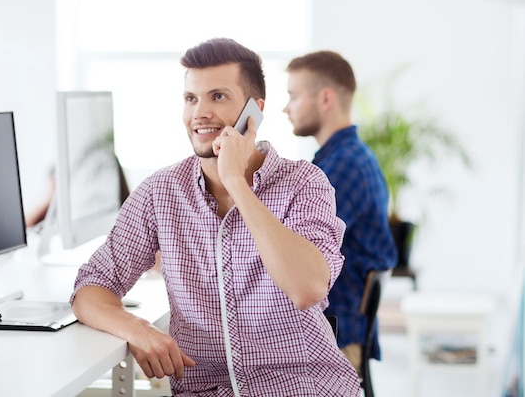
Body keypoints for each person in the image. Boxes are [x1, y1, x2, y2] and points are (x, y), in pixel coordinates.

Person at [71, 38, 361, 396]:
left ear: (254, 112)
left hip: (302, 386)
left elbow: (307, 289)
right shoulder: (160, 192)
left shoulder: (304, 182)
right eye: (191, 98)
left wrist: (237, 183)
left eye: (218, 97)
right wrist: (138, 329)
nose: (200, 113)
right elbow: (90, 289)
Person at [284, 50, 398, 375]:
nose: (286, 107)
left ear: (325, 98)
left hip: (334, 339)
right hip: (338, 331)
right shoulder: (348, 158)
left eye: (293, 96)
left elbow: (294, 248)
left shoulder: (341, 168)